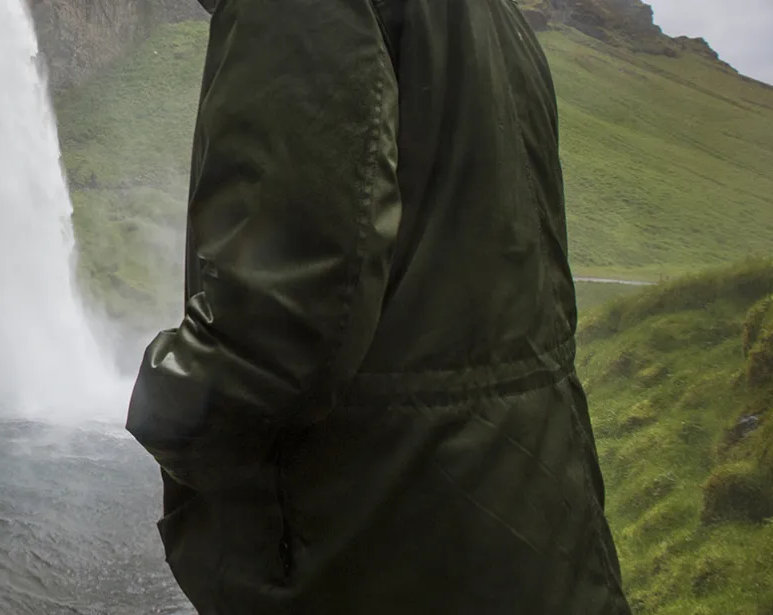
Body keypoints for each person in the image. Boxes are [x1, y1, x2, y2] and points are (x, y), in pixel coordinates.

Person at [122, 0, 633, 613]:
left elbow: (277, 326)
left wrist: (158, 407)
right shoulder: (493, 17)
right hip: (526, 522)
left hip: (375, 541)